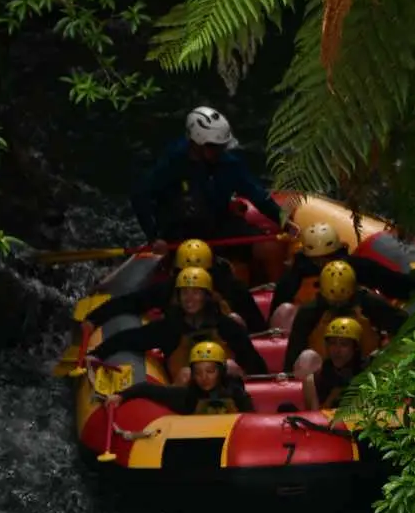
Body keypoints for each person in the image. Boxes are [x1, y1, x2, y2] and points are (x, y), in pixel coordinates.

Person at [131, 106, 299, 249]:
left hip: (219, 224)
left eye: (221, 147)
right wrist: (154, 236)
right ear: (195, 143)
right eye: (213, 147)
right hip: (181, 232)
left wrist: (282, 220)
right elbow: (141, 195)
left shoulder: (229, 164)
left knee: (266, 247)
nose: (218, 151)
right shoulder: (172, 162)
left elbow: (256, 194)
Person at [92, 266, 267, 378]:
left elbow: (253, 362)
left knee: (230, 367)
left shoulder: (226, 326)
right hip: (186, 400)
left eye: (195, 293)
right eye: (185, 293)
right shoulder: (171, 328)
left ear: (206, 297)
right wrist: (97, 354)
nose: (189, 299)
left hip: (227, 399)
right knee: (186, 374)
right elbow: (130, 338)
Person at [88, 238, 266, 332]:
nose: (192, 282)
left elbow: (257, 327)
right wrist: (94, 318)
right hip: (186, 351)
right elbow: (130, 302)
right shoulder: (167, 289)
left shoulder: (233, 290)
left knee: (235, 320)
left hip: (223, 351)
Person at [269, 221, 415, 322]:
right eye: (318, 261)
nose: (325, 266)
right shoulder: (293, 279)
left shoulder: (359, 268)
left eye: (327, 259)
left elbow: (393, 282)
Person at [282, 259, 406, 370]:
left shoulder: (370, 303)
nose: (338, 306)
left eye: (342, 302)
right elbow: (293, 355)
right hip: (320, 375)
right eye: (333, 302)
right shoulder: (309, 312)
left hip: (366, 369)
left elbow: (403, 325)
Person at [118, 340, 253, 416]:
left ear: (221, 371)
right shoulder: (186, 396)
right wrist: (121, 396)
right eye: (198, 373)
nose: (204, 378)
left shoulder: (237, 395)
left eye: (210, 371)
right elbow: (148, 389)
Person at [300, 317, 370, 410]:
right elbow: (315, 419)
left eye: (344, 344)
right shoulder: (314, 380)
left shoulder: (370, 377)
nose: (337, 350)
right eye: (332, 343)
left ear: (355, 348)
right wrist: (331, 399)